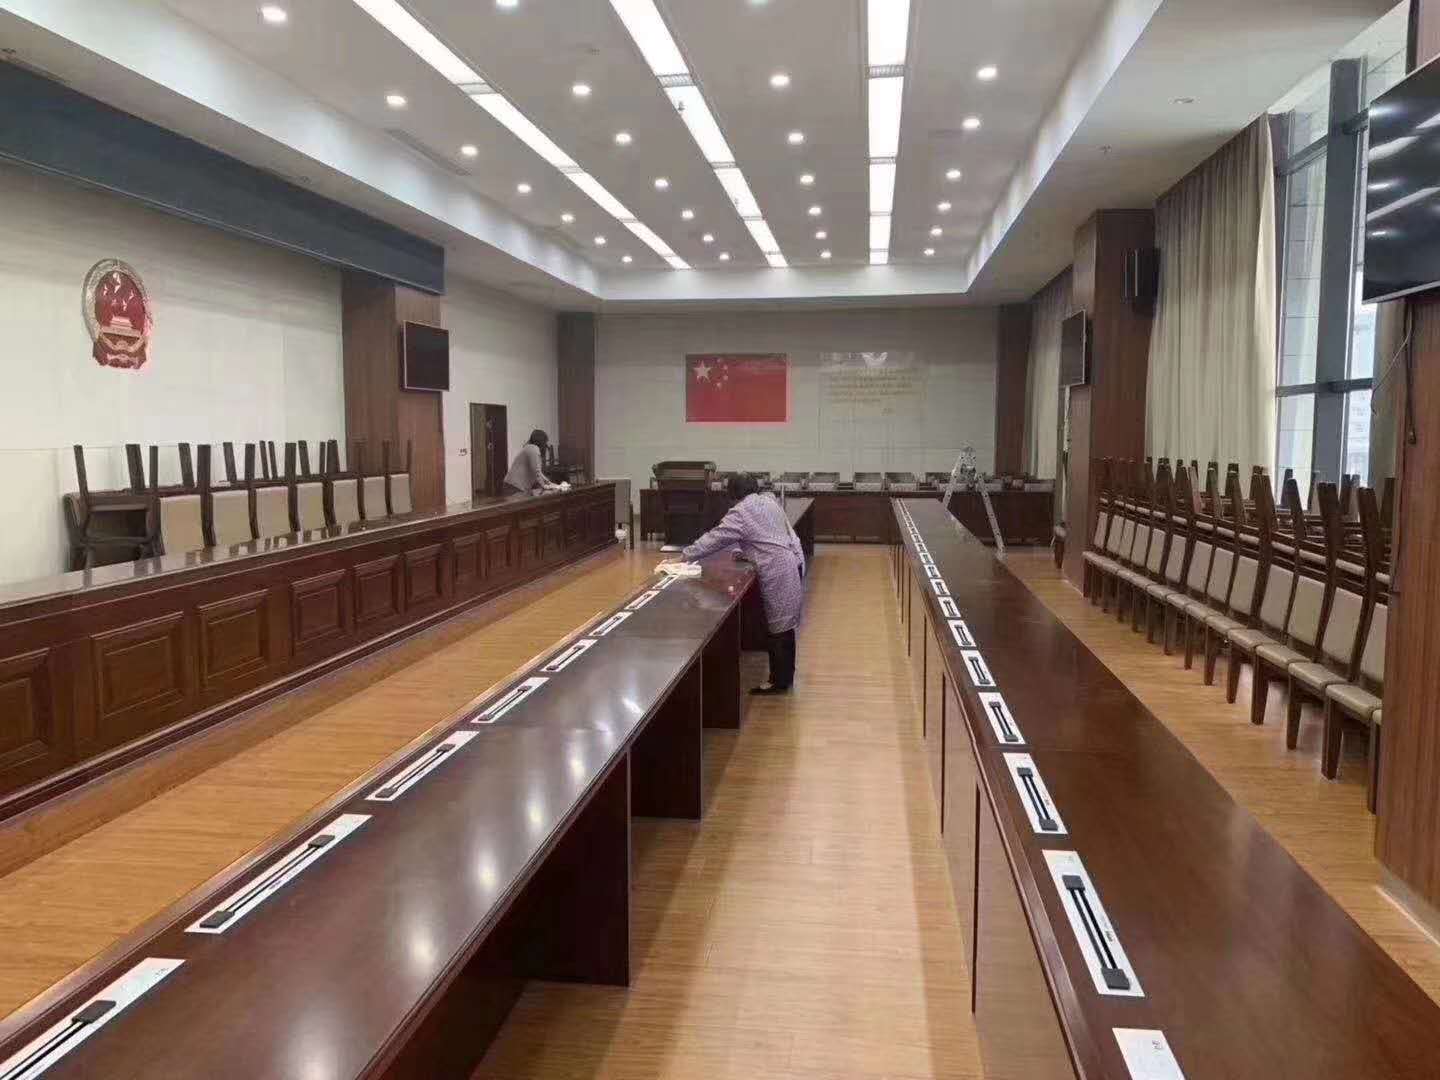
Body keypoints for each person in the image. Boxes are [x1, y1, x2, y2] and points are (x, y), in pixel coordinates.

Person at [679, 473, 805, 695]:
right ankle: (785, 678)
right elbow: (767, 536)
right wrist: (748, 552)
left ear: (733, 494)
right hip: (791, 561)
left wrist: (685, 555)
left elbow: (715, 538)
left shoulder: (741, 511)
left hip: (775, 568)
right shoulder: (768, 501)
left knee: (778, 628)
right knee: (785, 626)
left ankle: (778, 682)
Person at [503, 430, 562, 495]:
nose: (546, 445)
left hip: (513, 485)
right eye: (545, 442)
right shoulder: (534, 449)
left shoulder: (529, 448)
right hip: (514, 487)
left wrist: (549, 482)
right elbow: (537, 471)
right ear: (541, 441)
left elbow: (538, 472)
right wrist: (545, 486)